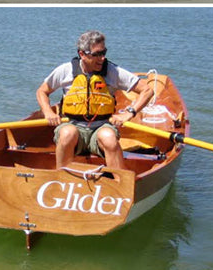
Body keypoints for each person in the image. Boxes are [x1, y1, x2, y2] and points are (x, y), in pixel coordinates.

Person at [36, 30, 153, 169]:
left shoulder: (112, 71)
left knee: (109, 137)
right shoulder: (65, 70)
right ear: (82, 54)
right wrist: (48, 112)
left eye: (104, 53)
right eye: (96, 54)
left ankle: (118, 182)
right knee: (67, 133)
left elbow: (147, 90)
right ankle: (62, 178)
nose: (102, 58)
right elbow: (42, 91)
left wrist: (129, 113)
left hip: (101, 127)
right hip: (72, 126)